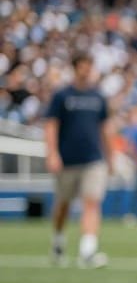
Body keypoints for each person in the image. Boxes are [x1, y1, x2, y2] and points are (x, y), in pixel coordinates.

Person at [44, 53, 114, 268]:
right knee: (63, 204)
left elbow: (105, 128)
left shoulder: (98, 96)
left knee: (92, 202)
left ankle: (88, 251)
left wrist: (111, 156)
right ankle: (58, 239)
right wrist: (52, 153)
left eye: (89, 66)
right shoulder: (62, 95)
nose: (87, 70)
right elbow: (51, 125)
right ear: (75, 67)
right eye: (83, 66)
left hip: (93, 158)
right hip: (67, 159)